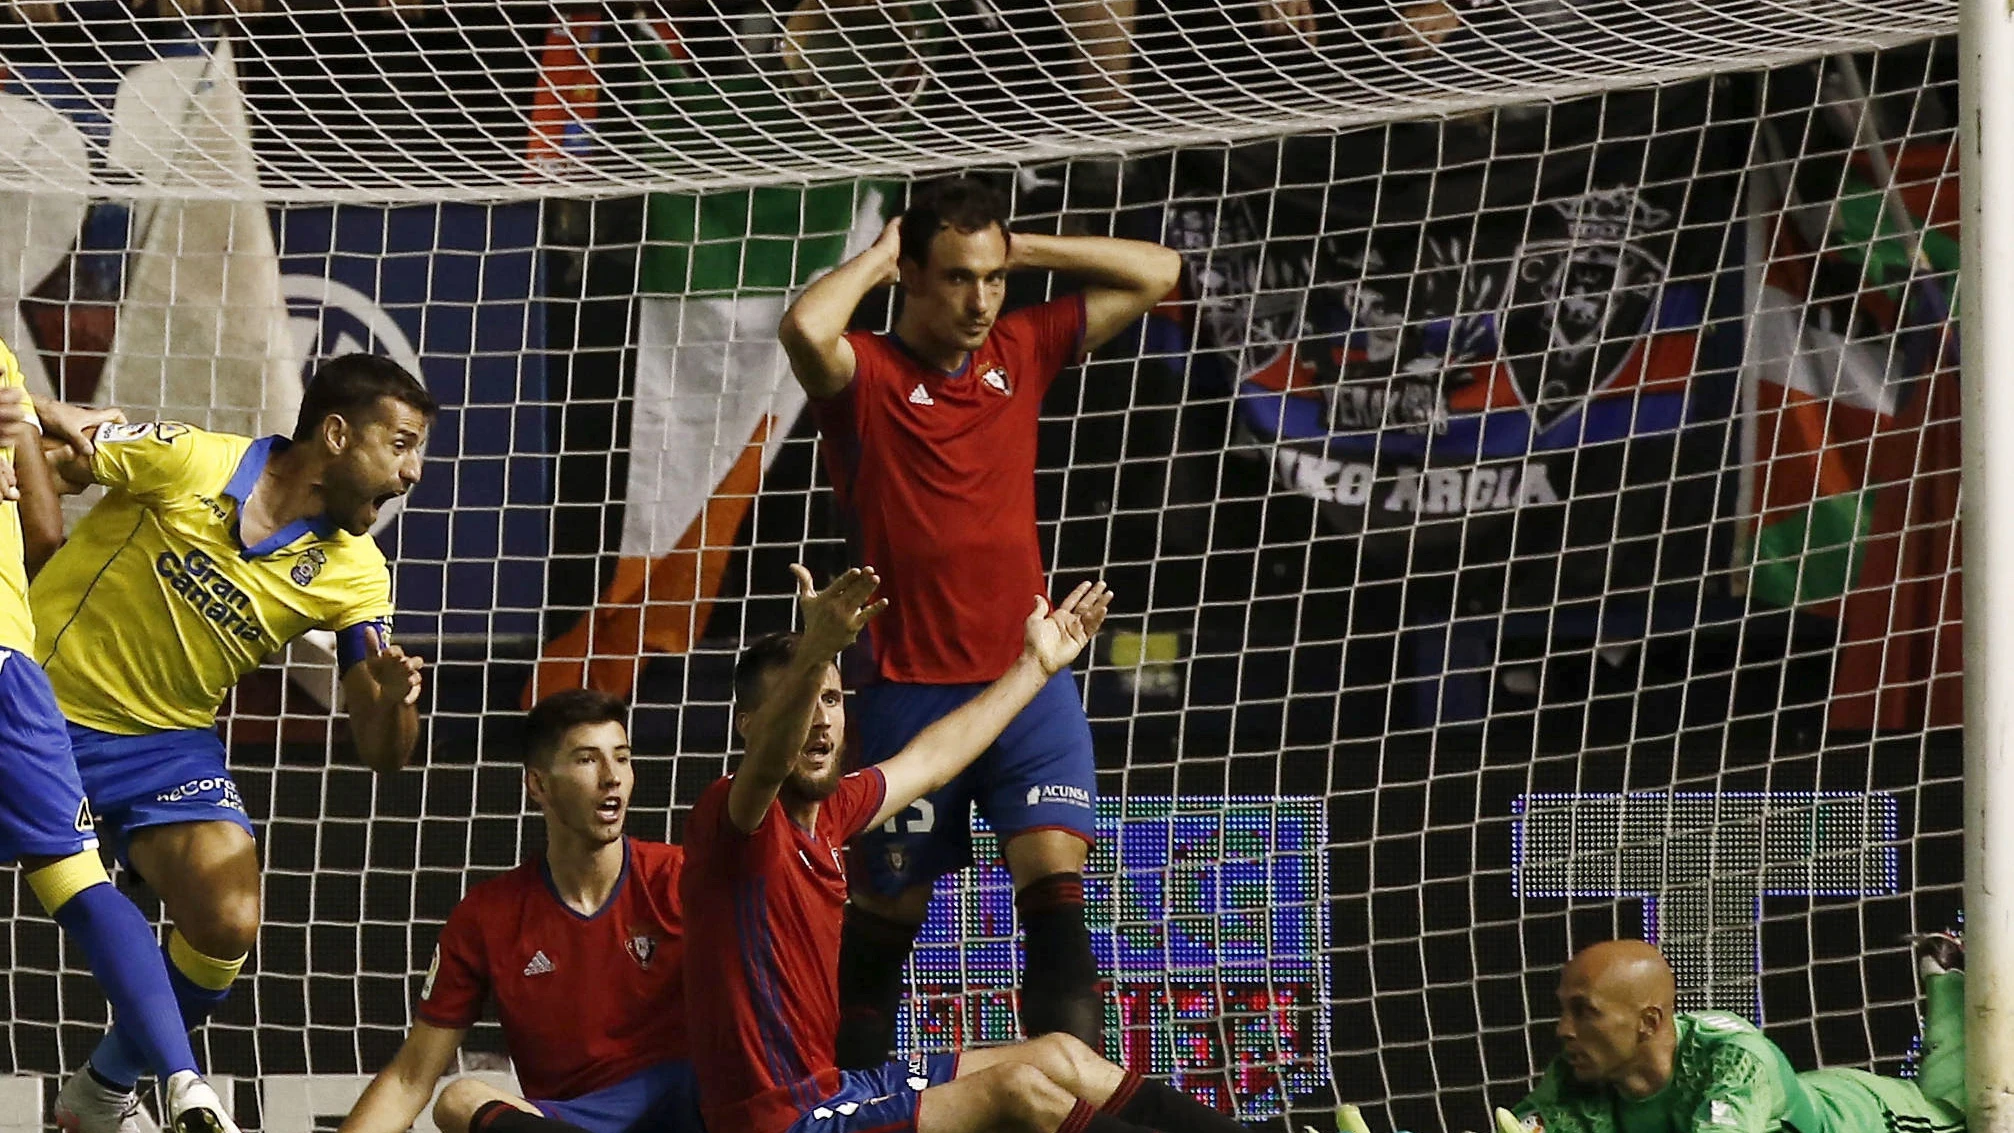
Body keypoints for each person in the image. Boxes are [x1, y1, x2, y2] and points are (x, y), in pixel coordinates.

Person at [778, 174, 1182, 1065]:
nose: (980, 298)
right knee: (882, 926)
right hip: (906, 694)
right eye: (957, 276)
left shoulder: (1019, 347)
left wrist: (1022, 248)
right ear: (914, 276)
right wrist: (881, 255)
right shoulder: (867, 375)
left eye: (992, 278)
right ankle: (850, 1115)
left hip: (1026, 677)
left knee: (1058, 895)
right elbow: (806, 327)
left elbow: (1159, 271)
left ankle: (1072, 1118)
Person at [683, 565, 1269, 1133]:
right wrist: (813, 656)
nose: (820, 719)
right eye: (802, 697)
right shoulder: (733, 813)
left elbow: (935, 757)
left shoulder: (834, 812)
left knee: (1060, 1057)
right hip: (783, 1121)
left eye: (832, 700)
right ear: (748, 724)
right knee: (1014, 1091)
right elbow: (768, 765)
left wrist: (1034, 667)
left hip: (837, 1090)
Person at [27, 354, 435, 1133]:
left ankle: (102, 1088)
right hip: (42, 703)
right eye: (402, 444)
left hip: (165, 743)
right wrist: (47, 427)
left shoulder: (357, 575)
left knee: (228, 917)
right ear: (339, 433)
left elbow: (385, 754)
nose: (411, 472)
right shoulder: (188, 459)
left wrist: (389, 704)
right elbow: (57, 443)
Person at [0, 342, 238, 1133]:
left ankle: (139, 1086)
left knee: (121, 890)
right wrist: (39, 432)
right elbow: (41, 534)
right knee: (81, 885)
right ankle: (182, 1079)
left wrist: (39, 420)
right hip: (16, 670)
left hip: (51, 695)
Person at [340, 689, 701, 1133]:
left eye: (622, 758)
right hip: (571, 1122)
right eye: (588, 760)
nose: (612, 777)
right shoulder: (488, 916)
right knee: (458, 1100)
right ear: (539, 784)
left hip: (688, 1105)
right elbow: (411, 1078)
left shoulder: (683, 879)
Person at [1502, 936, 1967, 1133]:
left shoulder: (1733, 1059)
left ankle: (1950, 983)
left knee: (1968, 1113)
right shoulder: (1576, 1076)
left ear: (1648, 1023)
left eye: (1585, 1013)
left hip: (1871, 1121)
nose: (1564, 1031)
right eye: (1564, 1010)